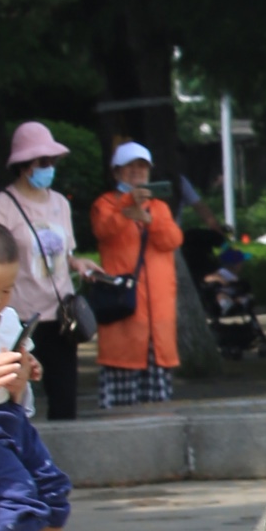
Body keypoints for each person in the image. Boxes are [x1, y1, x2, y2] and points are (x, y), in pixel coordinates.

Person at [0, 223, 94, 531]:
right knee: (16, 489)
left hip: (14, 417)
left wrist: (26, 371)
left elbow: (22, 375)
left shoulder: (9, 319)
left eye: (6, 290)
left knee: (51, 483)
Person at [0, 123, 89, 422]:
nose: (50, 168)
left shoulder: (59, 204)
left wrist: (79, 263)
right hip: (18, 315)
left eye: (53, 162)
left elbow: (64, 253)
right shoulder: (1, 207)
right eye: (43, 162)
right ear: (25, 164)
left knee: (64, 397)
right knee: (13, 395)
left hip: (60, 315)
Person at [91, 143, 185, 408]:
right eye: (130, 167)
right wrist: (126, 206)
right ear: (117, 172)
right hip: (125, 311)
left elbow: (172, 239)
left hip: (158, 318)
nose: (137, 172)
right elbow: (103, 230)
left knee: (159, 399)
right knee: (122, 378)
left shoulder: (160, 208)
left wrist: (147, 219)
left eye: (142, 167)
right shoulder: (105, 204)